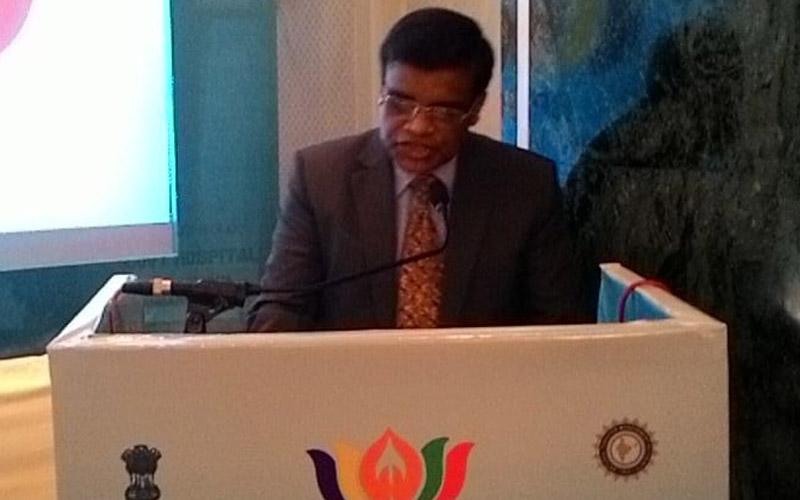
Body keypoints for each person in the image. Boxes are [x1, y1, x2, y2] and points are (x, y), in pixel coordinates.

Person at [247, 8, 582, 332]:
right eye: (399, 104)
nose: (418, 127)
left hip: (480, 372)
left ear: (475, 108)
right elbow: (281, 308)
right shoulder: (321, 178)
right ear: (382, 91)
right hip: (352, 372)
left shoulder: (526, 187)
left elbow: (559, 327)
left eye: (442, 112)